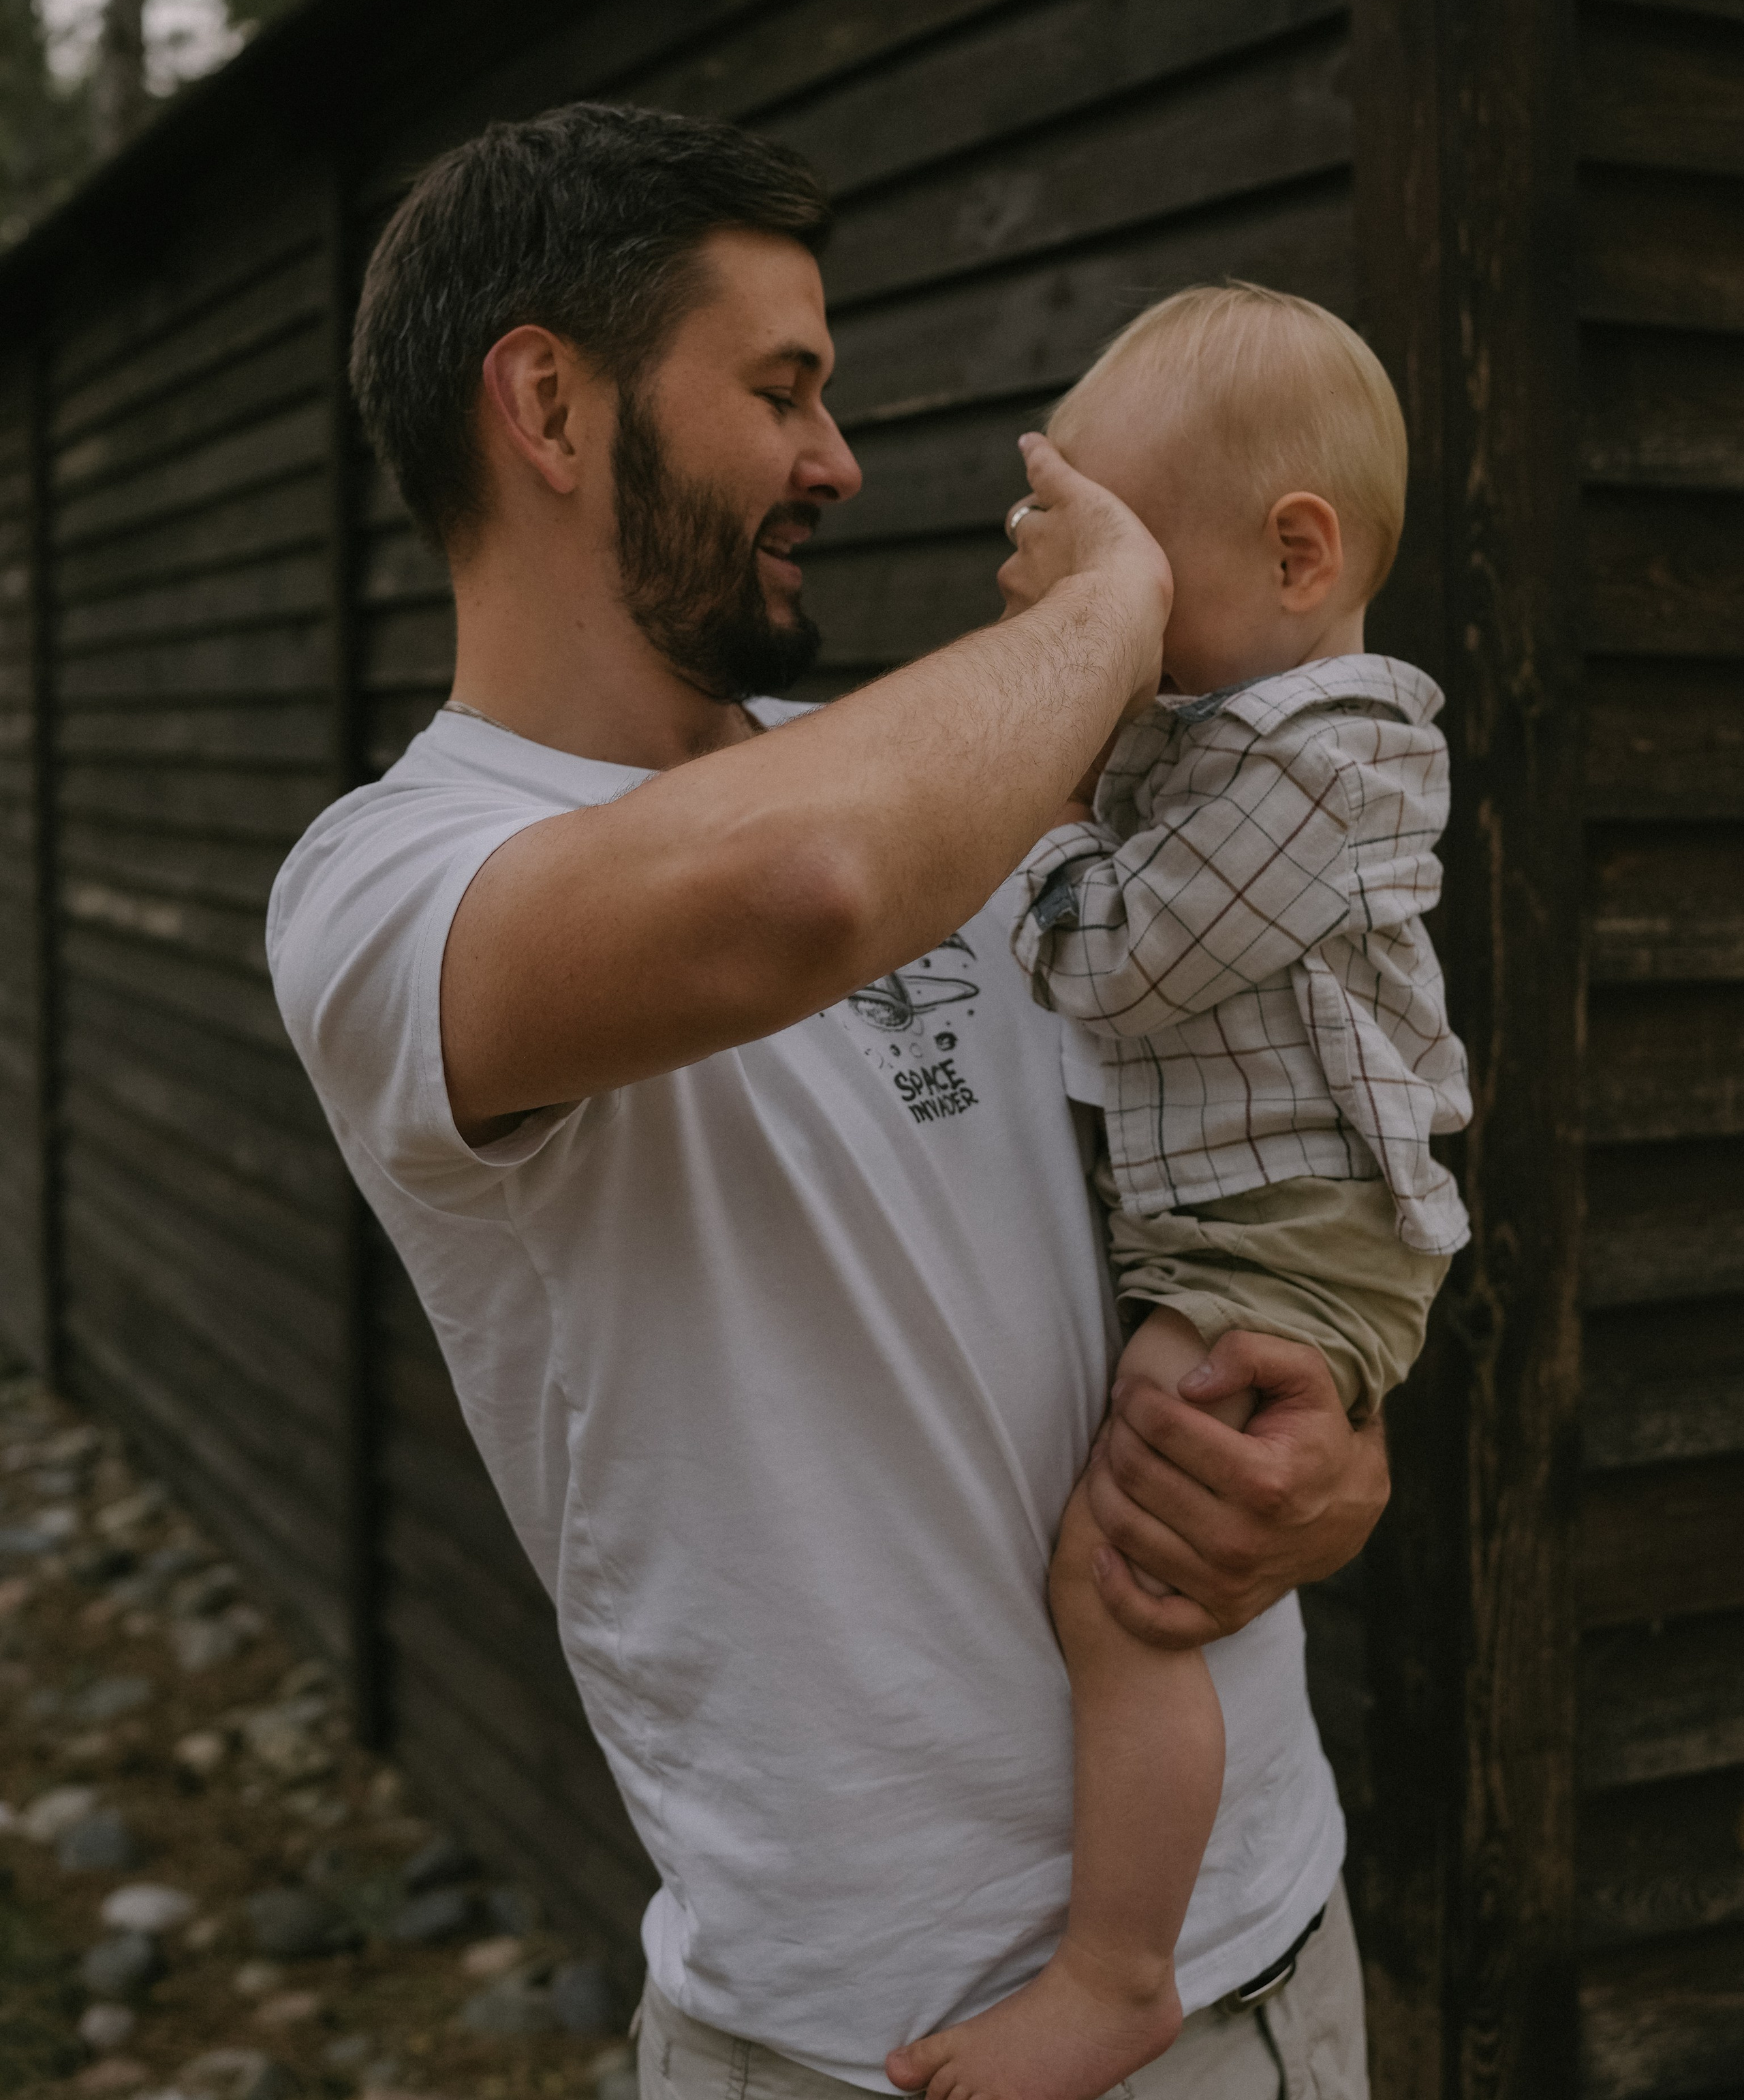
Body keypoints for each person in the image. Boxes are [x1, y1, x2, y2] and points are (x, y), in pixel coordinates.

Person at [266, 102, 1390, 2099]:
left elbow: (1268, 1089)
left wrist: (1338, 1428)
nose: (838, 460)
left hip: (1267, 1957)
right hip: (865, 2043)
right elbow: (799, 889)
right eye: (782, 389)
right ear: (548, 402)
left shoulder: (930, 766)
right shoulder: (389, 889)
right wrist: (1122, 599)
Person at [885, 288, 1469, 2100]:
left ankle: (1121, 1974)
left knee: (1124, 1583)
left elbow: (1118, 964)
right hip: (1254, 1218)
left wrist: (1042, 787)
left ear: (1296, 552)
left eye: (1135, 575)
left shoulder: (1321, 760)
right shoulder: (1237, 739)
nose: (1101, 625)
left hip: (1284, 1238)